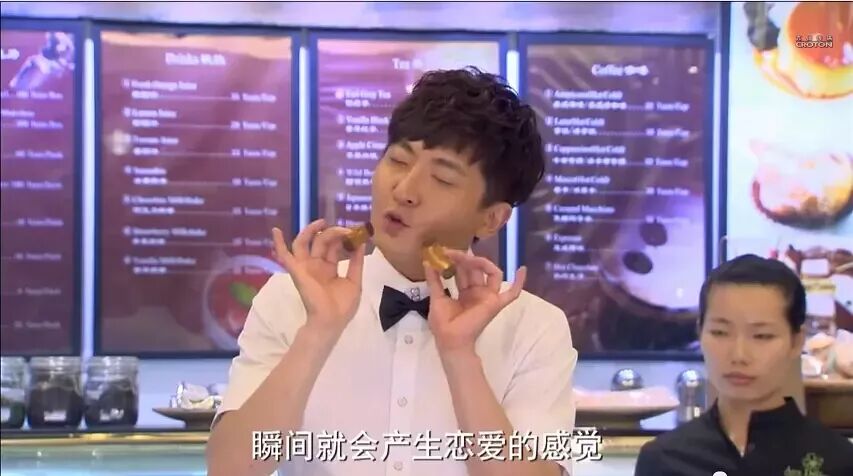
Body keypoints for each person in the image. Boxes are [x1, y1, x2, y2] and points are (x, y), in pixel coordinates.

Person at [206, 67, 578, 476]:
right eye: (398, 160)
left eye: (442, 179)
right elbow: (230, 469)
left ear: (492, 219)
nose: (404, 190)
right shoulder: (291, 298)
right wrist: (317, 332)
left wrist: (460, 356)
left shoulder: (534, 327)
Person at [634, 254, 853, 476]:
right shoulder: (665, 459)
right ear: (700, 333)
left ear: (796, 342)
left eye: (762, 336)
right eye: (720, 332)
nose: (739, 355)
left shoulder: (838, 461)